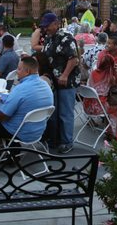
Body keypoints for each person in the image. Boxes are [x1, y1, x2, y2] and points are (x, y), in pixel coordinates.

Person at [0, 57, 53, 153]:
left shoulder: (20, 89)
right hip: (38, 131)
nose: (16, 72)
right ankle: (11, 151)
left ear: (27, 71)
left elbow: (3, 116)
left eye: (19, 69)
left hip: (19, 133)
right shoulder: (46, 85)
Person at [41, 13, 80, 154]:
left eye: (47, 26)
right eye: (44, 26)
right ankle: (55, 139)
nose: (45, 28)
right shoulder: (48, 38)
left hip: (67, 81)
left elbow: (73, 58)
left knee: (65, 113)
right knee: (54, 112)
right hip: (53, 80)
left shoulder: (66, 37)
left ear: (56, 24)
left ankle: (67, 141)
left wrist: (65, 75)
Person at [84, 55, 117, 139]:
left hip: (87, 106)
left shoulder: (93, 73)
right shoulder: (109, 76)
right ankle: (113, 133)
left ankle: (110, 130)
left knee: (116, 101)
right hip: (99, 107)